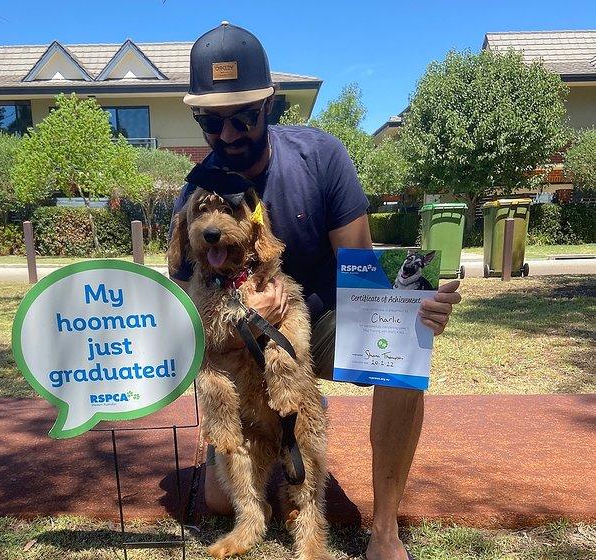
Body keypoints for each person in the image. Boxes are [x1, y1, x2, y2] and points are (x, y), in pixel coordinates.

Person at [170, 22, 461, 560]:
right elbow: (182, 320)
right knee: (216, 501)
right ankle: (281, 443)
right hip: (236, 342)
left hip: (323, 320)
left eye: (243, 117)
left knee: (404, 353)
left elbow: (363, 266)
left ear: (270, 106)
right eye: (211, 121)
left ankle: (384, 534)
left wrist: (408, 310)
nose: (228, 134)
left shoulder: (321, 157)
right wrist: (241, 323)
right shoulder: (197, 193)